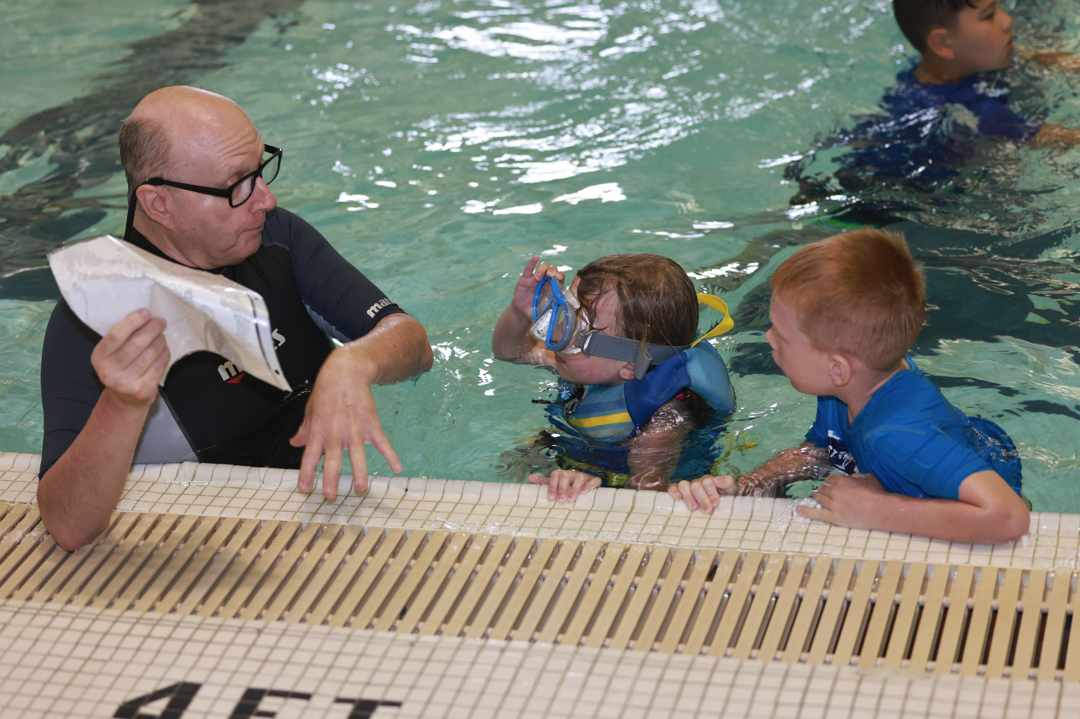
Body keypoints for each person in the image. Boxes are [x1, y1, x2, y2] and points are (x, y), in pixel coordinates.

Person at [38, 86, 433, 551]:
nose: (264, 199)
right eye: (237, 185)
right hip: (206, 549)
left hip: (320, 510)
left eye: (260, 170)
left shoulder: (276, 240)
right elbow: (67, 526)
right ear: (158, 204)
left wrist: (354, 363)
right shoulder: (93, 323)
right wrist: (121, 405)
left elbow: (414, 344)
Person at [670, 229, 1029, 544]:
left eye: (781, 334)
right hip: (943, 454)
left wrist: (880, 511)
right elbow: (826, 449)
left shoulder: (899, 436)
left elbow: (1009, 518)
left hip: (976, 487)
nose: (768, 338)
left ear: (837, 368)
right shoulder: (849, 388)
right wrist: (749, 484)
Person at [787, 0, 1080, 209]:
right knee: (822, 220)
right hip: (893, 190)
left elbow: (1029, 56)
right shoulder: (980, 113)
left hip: (875, 145)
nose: (1007, 20)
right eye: (990, 15)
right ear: (942, 43)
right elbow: (1064, 139)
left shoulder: (935, 67)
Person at [492, 253, 736, 502]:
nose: (557, 337)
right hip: (580, 447)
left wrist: (595, 490)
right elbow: (511, 352)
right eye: (567, 315)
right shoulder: (592, 360)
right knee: (510, 463)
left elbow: (646, 502)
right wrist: (520, 311)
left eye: (577, 333)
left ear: (630, 365)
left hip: (612, 474)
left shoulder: (660, 428)